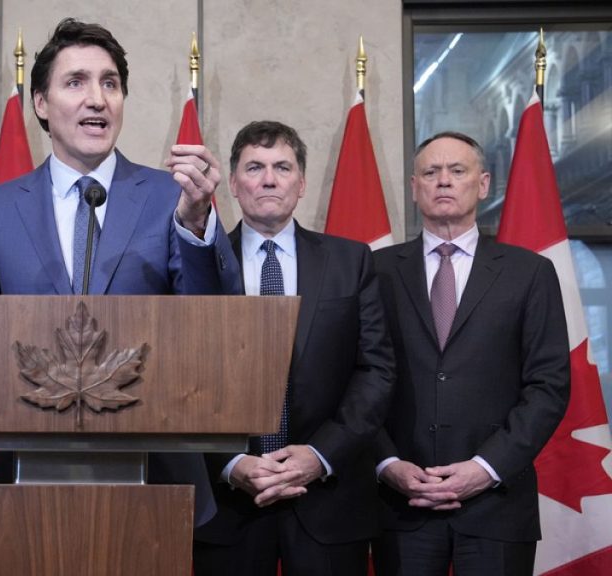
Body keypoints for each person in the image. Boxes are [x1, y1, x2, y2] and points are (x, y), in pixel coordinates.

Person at [0, 18, 241, 525]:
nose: (97, 99)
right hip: (32, 472)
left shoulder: (171, 197)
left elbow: (213, 321)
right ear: (41, 103)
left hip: (158, 474)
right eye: (75, 82)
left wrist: (196, 223)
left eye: (110, 83)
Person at [193, 121, 395, 576]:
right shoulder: (198, 267)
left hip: (328, 498)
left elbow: (376, 371)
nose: (269, 178)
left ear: (301, 184)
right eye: (255, 167)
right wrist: (231, 463)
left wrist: (318, 455)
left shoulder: (351, 260)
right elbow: (184, 380)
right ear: (234, 184)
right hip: (230, 505)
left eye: (282, 167)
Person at [372, 132, 570, 576]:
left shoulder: (530, 273)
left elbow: (548, 386)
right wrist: (387, 465)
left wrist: (486, 467)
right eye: (431, 172)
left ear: (482, 184)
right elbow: (357, 379)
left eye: (457, 171)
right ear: (414, 187)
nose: (444, 181)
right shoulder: (376, 271)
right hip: (403, 504)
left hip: (497, 505)